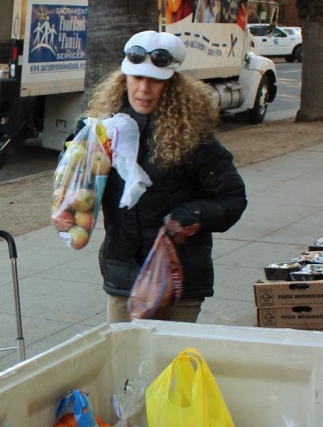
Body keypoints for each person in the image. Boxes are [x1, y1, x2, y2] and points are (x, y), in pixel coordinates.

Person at [83, 29, 247, 324]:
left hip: (177, 277)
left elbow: (232, 198)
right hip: (123, 275)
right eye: (137, 78)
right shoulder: (104, 131)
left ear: (171, 85)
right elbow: (81, 188)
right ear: (123, 81)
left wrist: (190, 215)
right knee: (124, 366)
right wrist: (74, 156)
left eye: (155, 81)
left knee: (171, 367)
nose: (144, 89)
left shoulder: (194, 139)